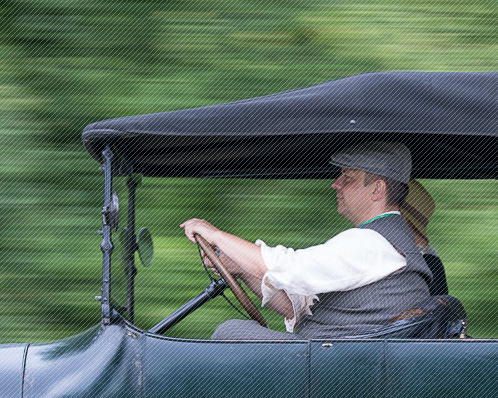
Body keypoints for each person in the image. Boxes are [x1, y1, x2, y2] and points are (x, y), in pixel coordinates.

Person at [180, 141, 433, 340]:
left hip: (333, 365)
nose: (335, 184)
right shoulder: (384, 242)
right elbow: (296, 308)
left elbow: (287, 267)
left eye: (347, 177)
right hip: (337, 359)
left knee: (231, 332)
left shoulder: (372, 243)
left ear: (377, 189)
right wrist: (239, 267)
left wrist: (216, 235)